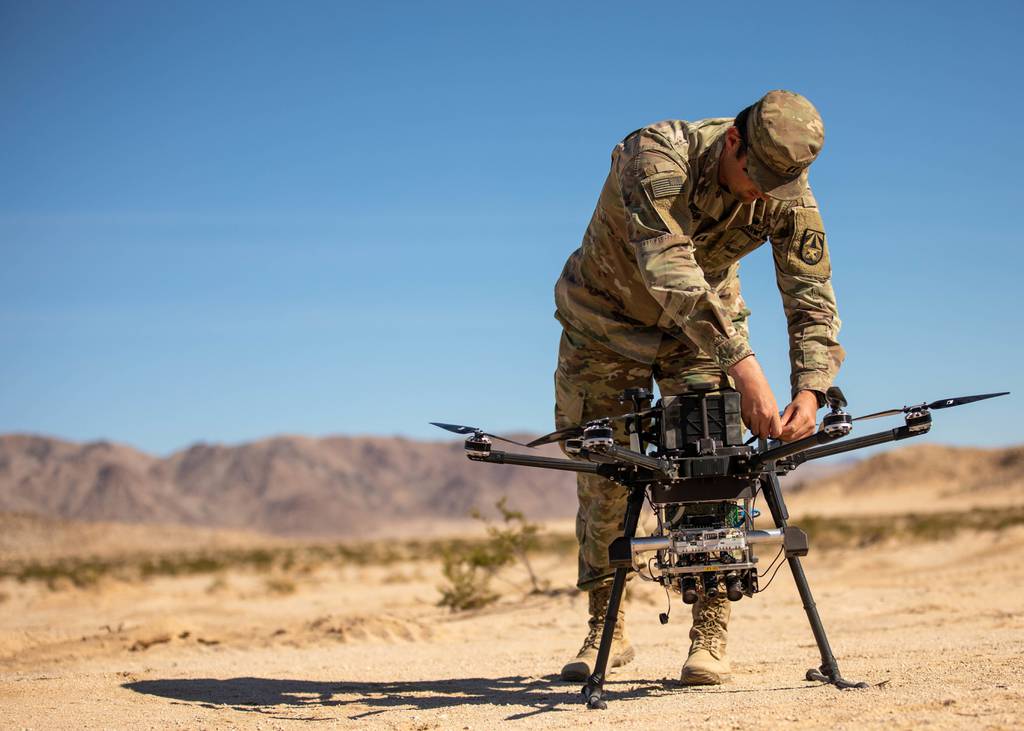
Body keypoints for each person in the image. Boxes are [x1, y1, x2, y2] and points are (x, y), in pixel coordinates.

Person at [552, 90, 844, 685]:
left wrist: (811, 390)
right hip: (605, 326)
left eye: (777, 184)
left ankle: (710, 628)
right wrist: (747, 366)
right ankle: (605, 624)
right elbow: (669, 268)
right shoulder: (656, 154)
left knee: (714, 464)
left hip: (702, 335)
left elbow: (811, 297)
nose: (760, 193)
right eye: (754, 176)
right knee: (606, 472)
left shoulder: (787, 190)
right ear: (733, 140)